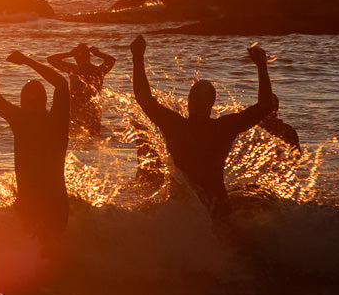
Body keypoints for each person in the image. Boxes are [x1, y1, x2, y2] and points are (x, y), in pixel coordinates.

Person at [130, 35, 274, 224]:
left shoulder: (176, 126)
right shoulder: (223, 128)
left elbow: (143, 98)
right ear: (211, 104)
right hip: (217, 206)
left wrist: (138, 57)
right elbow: (265, 106)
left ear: (189, 102)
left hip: (184, 210)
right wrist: (261, 66)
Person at [0, 50, 70, 227]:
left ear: (23, 101)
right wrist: (27, 61)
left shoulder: (20, 120)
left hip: (30, 205)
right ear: (44, 100)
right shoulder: (58, 122)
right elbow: (61, 84)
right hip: (58, 205)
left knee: (36, 250)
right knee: (55, 249)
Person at [47, 43, 116, 137]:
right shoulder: (98, 71)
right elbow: (111, 60)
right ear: (88, 56)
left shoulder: (74, 70)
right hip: (93, 112)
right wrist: (98, 53)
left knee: (75, 138)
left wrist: (69, 54)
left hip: (76, 111)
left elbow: (50, 59)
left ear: (76, 57)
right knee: (94, 138)